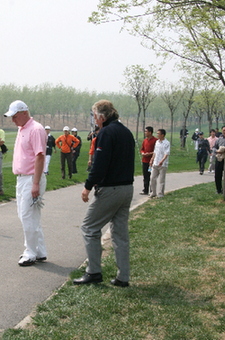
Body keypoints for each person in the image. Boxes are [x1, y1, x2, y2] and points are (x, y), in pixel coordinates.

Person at [73, 100, 134, 287]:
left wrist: (88, 186)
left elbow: (100, 164)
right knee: (120, 234)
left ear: (101, 116)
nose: (94, 119)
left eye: (94, 116)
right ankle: (123, 276)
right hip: (126, 188)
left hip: (111, 189)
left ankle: (93, 272)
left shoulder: (106, 133)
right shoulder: (126, 131)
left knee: (89, 228)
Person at [4, 100, 48, 266]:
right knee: (29, 216)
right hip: (23, 178)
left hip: (31, 178)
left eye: (15, 116)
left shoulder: (35, 129)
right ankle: (40, 250)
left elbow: (40, 156)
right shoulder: (22, 128)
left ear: (24, 113)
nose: (13, 120)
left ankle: (30, 252)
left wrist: (35, 183)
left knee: (27, 216)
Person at [149, 129, 170, 198]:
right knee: (152, 178)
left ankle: (160, 193)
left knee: (161, 179)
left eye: (158, 133)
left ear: (162, 135)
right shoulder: (157, 142)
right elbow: (155, 152)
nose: (157, 135)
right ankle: (153, 192)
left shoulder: (166, 143)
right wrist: (152, 159)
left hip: (162, 164)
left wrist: (162, 160)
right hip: (155, 163)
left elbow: (166, 153)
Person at [140, 126, 158, 195]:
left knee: (152, 176)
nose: (145, 133)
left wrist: (149, 154)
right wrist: (143, 153)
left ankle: (152, 190)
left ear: (150, 132)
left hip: (152, 161)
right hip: (145, 161)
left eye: (146, 131)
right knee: (145, 176)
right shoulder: (145, 140)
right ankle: (145, 189)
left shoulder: (155, 140)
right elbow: (142, 149)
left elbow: (156, 151)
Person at [214, 125, 225, 194]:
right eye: (224, 130)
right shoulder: (219, 139)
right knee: (217, 175)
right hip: (219, 159)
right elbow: (214, 147)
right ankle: (218, 190)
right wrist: (217, 151)